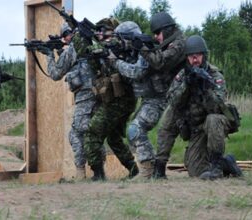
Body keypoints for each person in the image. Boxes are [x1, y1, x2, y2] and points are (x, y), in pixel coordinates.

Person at [155, 35, 243, 180]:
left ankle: (217, 166)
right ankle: (159, 167)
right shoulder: (183, 75)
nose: (194, 59)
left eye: (198, 56)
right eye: (191, 56)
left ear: (204, 56)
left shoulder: (214, 76)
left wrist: (205, 89)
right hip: (195, 129)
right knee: (196, 171)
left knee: (213, 119)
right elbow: (173, 101)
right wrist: (187, 85)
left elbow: (217, 107)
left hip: (211, 124)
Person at [115, 13, 185, 180]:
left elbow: (137, 72)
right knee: (133, 131)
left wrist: (115, 62)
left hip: (158, 99)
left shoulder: (148, 49)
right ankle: (152, 168)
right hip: (150, 98)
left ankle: (147, 170)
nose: (155, 37)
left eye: (158, 33)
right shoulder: (139, 50)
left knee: (136, 129)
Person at [40, 23, 98, 180]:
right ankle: (99, 172)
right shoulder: (86, 44)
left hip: (86, 97)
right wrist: (59, 49)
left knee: (75, 134)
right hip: (97, 95)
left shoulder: (73, 48)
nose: (66, 37)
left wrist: (49, 54)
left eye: (67, 34)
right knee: (94, 133)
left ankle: (81, 173)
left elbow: (55, 73)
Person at [83, 17, 139, 181]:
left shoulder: (116, 44)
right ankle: (135, 170)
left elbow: (105, 47)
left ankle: (98, 174)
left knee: (92, 133)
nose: (99, 33)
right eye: (98, 30)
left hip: (119, 100)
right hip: (121, 100)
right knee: (114, 139)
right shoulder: (108, 47)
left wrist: (90, 38)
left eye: (103, 30)